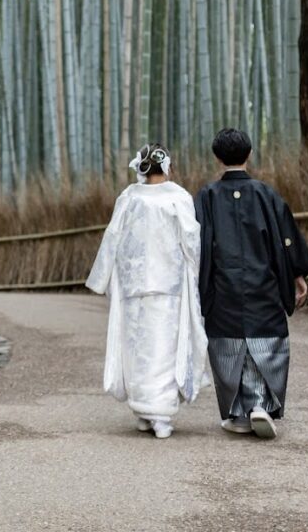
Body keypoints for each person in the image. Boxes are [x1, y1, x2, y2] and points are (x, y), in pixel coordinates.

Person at [195, 128, 308, 440]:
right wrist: (297, 274)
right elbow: (286, 239)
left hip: (222, 286)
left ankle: (241, 412)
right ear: (249, 154)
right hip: (263, 284)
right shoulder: (266, 194)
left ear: (217, 158)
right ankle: (260, 404)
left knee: (229, 346)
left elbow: (195, 243)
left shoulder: (207, 197)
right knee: (264, 342)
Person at [86, 144, 208, 439]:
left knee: (137, 348)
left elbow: (113, 235)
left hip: (134, 283)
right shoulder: (178, 197)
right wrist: (197, 272)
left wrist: (102, 278)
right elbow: (191, 239)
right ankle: (158, 414)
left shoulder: (129, 197)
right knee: (163, 349)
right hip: (168, 283)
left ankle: (143, 410)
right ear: (167, 166)